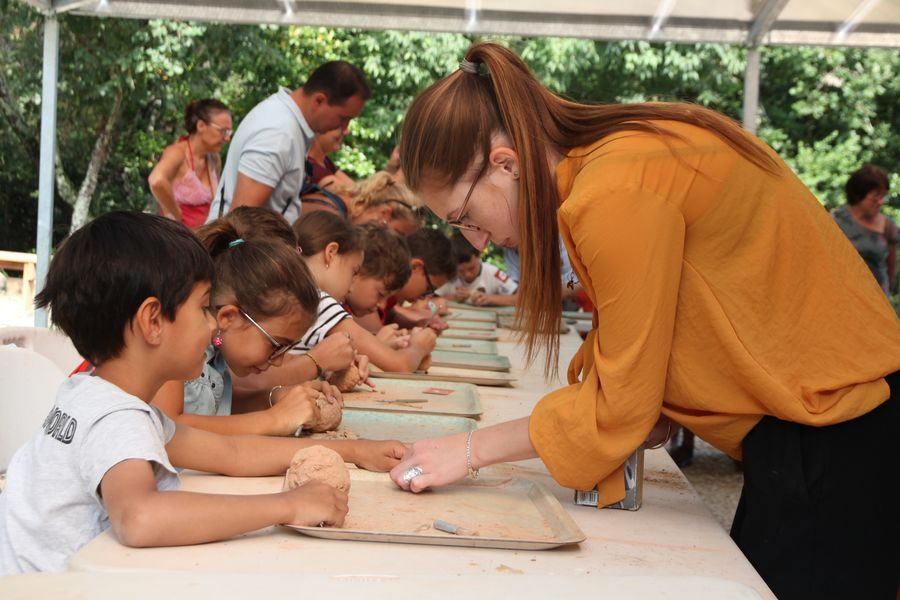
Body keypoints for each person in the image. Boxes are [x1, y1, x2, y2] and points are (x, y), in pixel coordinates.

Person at [388, 43, 900, 600]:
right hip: (830, 424)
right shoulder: (622, 155)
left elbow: (623, 401)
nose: (477, 242)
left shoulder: (610, 192)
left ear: (506, 164)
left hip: (839, 431)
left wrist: (468, 449)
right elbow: (651, 337)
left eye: (464, 217)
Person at [0, 212, 404, 575]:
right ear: (153, 321)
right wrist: (289, 506)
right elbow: (140, 518)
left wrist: (354, 451)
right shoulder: (115, 419)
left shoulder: (93, 396)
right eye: (202, 309)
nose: (214, 325)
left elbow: (231, 454)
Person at [150, 212, 356, 437]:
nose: (278, 361)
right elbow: (168, 428)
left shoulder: (217, 345)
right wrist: (274, 419)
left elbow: (216, 408)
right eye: (275, 345)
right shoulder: (176, 342)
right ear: (229, 317)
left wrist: (275, 398)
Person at [209, 61, 369, 224]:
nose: (345, 128)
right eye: (343, 118)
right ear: (319, 101)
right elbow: (240, 220)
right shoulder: (278, 133)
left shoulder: (288, 124)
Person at [289, 211, 436, 373]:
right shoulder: (318, 304)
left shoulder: (284, 292)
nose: (351, 286)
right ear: (331, 253)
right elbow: (401, 366)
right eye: (353, 272)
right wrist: (419, 347)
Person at [148, 99, 231, 228]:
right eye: (223, 131)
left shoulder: (213, 158)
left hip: (205, 240)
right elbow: (156, 180)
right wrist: (176, 215)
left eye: (228, 132)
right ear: (201, 126)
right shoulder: (177, 153)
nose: (227, 138)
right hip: (180, 241)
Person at [832, 164, 898, 296]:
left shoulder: (888, 226)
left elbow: (891, 266)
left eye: (883, 196)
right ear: (858, 195)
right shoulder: (834, 221)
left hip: (877, 298)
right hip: (843, 296)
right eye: (875, 196)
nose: (881, 202)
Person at [302, 171, 424, 236]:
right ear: (385, 213)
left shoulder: (337, 209)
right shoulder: (329, 218)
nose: (397, 244)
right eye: (399, 234)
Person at [436, 232, 518, 306]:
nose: (467, 274)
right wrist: (453, 297)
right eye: (460, 271)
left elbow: (519, 298)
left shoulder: (493, 273)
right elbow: (430, 300)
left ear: (479, 256)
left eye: (471, 268)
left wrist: (490, 298)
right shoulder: (450, 276)